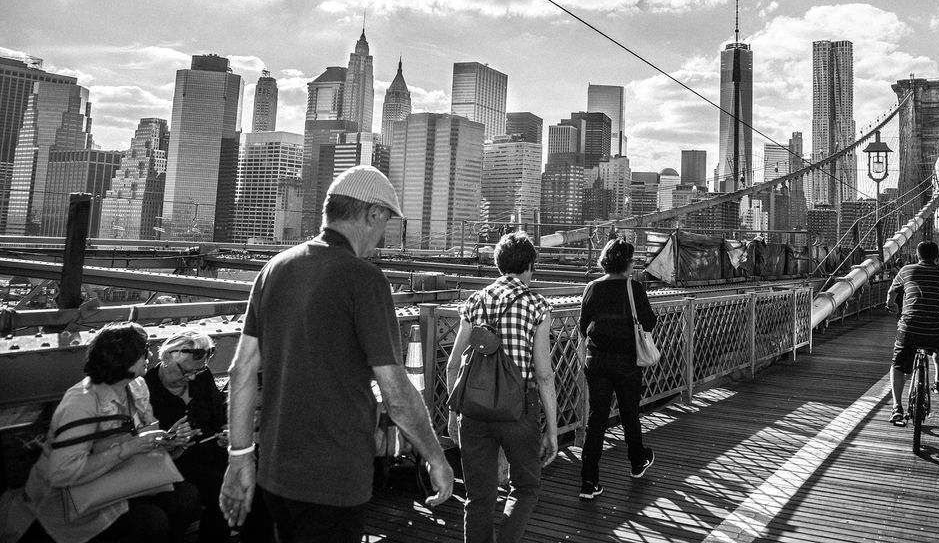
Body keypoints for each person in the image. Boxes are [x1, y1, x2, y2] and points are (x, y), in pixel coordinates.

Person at [218, 166, 454, 543]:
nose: (382, 237)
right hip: (335, 479)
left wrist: (239, 457)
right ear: (373, 214)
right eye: (385, 223)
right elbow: (395, 394)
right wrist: (435, 457)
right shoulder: (365, 280)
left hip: (274, 475)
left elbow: (241, 371)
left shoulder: (274, 269)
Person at [5, 322, 199, 543]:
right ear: (122, 359)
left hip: (124, 476)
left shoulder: (137, 387)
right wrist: (128, 448)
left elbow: (144, 443)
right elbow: (62, 473)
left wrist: (170, 443)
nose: (151, 354)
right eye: (144, 351)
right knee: (150, 522)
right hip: (80, 493)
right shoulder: (81, 400)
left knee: (186, 498)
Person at [447, 231, 558, 543]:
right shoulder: (537, 305)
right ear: (529, 267)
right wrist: (552, 428)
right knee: (525, 487)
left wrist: (452, 415)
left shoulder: (474, 302)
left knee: (478, 498)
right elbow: (544, 374)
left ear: (498, 265)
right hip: (519, 410)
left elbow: (453, 364)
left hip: (473, 411)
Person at [145, 329, 268, 542]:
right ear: (165, 357)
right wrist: (172, 439)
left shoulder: (201, 377)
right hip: (177, 460)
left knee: (257, 470)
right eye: (186, 371)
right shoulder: (146, 388)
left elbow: (219, 414)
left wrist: (225, 432)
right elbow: (146, 439)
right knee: (222, 486)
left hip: (212, 449)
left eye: (198, 370)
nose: (192, 376)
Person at [577, 238, 656, 501]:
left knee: (596, 419)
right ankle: (637, 462)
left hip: (596, 360)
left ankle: (588, 481)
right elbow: (649, 322)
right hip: (626, 361)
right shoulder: (633, 288)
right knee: (629, 412)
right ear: (627, 263)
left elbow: (582, 325)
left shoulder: (592, 287)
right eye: (633, 261)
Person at [885, 241, 939, 426]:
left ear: (917, 255)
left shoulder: (906, 270)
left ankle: (897, 408)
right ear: (937, 257)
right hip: (937, 330)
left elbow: (891, 293)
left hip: (909, 329)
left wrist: (892, 305)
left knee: (898, 365)